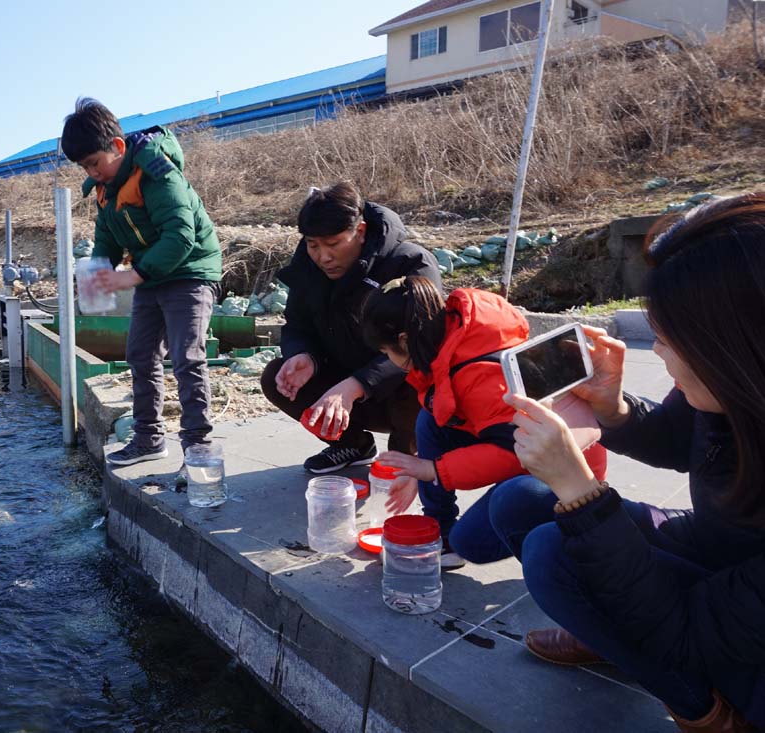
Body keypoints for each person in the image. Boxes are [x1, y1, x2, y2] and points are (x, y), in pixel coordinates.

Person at [490, 193, 765, 731]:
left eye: (667, 338)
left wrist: (579, 487)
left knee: (556, 551)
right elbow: (675, 440)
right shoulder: (738, 389)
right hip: (724, 547)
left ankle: (707, 710)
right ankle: (613, 630)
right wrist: (612, 408)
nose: (656, 353)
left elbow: (686, 632)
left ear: (737, 344)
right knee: (522, 503)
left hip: (742, 624)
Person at [361, 278, 608, 569]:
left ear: (404, 340)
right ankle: (440, 531)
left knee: (475, 539)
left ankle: (567, 546)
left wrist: (432, 470)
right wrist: (420, 471)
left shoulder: (483, 375)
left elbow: (514, 451)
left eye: (387, 352)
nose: (388, 360)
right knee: (432, 420)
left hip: (568, 472)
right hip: (522, 440)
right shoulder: (453, 331)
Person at [61, 98, 222, 467]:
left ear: (117, 147)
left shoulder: (157, 171)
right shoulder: (106, 188)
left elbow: (181, 235)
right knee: (140, 353)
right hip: (152, 273)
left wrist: (133, 276)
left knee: (187, 356)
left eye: (94, 163)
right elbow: (107, 237)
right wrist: (100, 270)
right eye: (84, 166)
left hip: (191, 270)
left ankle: (198, 449)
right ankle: (149, 438)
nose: (91, 172)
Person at [260, 182, 440, 474]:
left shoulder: (410, 263)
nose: (323, 257)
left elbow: (422, 342)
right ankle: (352, 445)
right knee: (276, 378)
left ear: (361, 231)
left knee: (420, 375)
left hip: (397, 391)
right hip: (344, 388)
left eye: (333, 244)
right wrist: (303, 355)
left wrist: (358, 384)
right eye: (313, 245)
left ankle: (406, 456)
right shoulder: (308, 266)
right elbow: (296, 324)